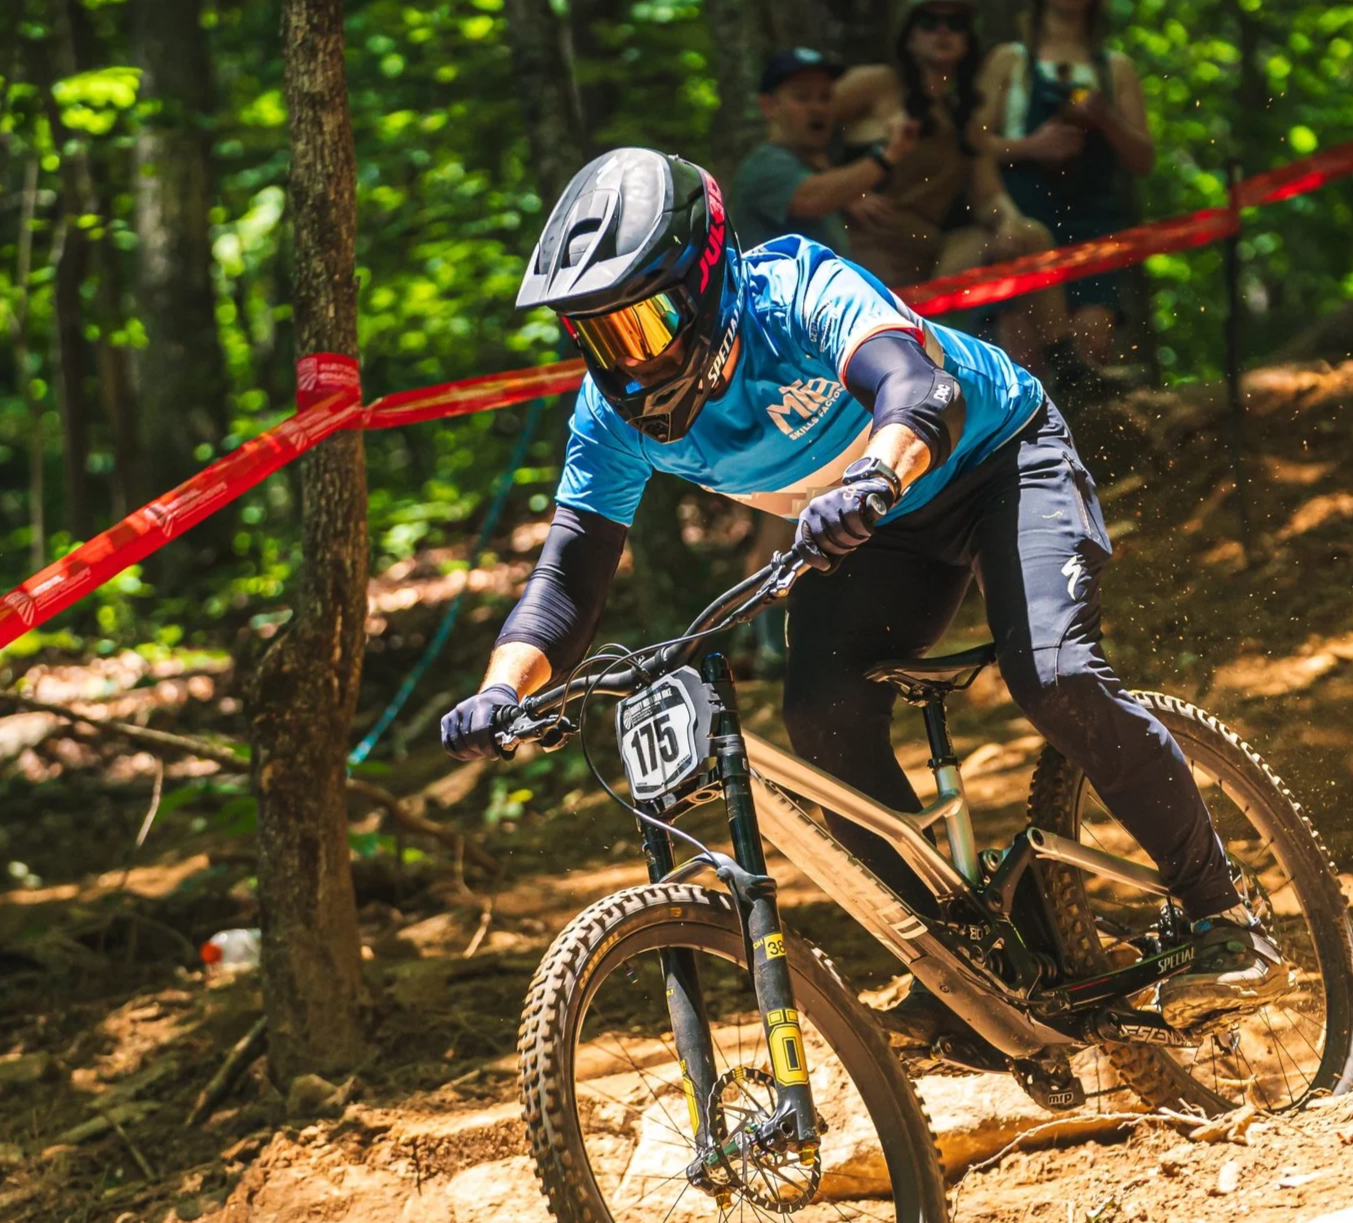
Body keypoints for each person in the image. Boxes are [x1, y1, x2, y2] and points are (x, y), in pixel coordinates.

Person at [441, 148, 1284, 1030]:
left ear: (703, 282)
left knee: (1056, 676)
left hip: (997, 458)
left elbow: (920, 388)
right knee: (821, 715)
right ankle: (962, 956)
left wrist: (875, 476)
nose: (628, 364)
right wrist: (503, 688)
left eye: (641, 326)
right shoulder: (606, 418)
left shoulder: (795, 290)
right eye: (597, 336)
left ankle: (1220, 910)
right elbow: (567, 580)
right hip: (877, 523)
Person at [828, 0, 1070, 377]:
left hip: (931, 253)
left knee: (1030, 235)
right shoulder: (877, 83)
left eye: (955, 24)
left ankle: (1069, 371)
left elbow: (989, 195)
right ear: (908, 37)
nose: (943, 32)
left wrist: (1009, 222)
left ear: (969, 40)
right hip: (867, 253)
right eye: (929, 22)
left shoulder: (965, 118)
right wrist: (844, 192)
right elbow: (798, 130)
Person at [976, 0, 1156, 369]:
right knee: (1023, 357)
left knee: (1091, 344)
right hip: (1023, 221)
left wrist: (1106, 119)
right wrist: (1030, 147)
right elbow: (971, 144)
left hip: (1093, 227)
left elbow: (1143, 159)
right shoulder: (1010, 60)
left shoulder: (1114, 68)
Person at [731, 47, 916, 256]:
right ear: (769, 106)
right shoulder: (764, 165)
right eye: (802, 97)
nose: (817, 108)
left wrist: (846, 196)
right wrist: (887, 156)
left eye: (825, 97)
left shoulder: (809, 167)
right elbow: (813, 198)